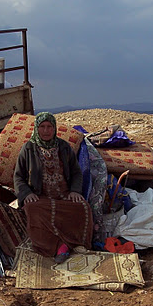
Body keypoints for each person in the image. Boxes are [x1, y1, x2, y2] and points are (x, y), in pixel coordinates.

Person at [13, 112, 93, 263]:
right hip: (40, 197)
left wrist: (75, 191)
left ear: (54, 128)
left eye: (49, 126)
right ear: (37, 128)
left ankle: (74, 243)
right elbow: (18, 176)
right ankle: (58, 246)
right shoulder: (28, 149)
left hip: (64, 195)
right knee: (32, 209)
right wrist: (26, 194)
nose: (46, 130)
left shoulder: (64, 147)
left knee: (83, 207)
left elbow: (76, 172)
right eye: (42, 127)